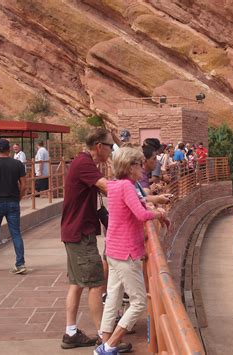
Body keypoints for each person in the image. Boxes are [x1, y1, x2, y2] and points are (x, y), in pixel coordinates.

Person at [95, 147, 167, 355]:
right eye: (138, 164)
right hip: (126, 252)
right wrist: (159, 213)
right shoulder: (127, 186)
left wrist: (155, 210)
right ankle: (109, 346)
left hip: (114, 250)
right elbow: (141, 214)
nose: (142, 169)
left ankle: (105, 341)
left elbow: (139, 204)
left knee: (113, 298)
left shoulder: (114, 185)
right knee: (138, 302)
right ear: (131, 167)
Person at [60, 128, 113, 349]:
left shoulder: (84, 162)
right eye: (110, 146)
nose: (111, 150)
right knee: (96, 282)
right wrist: (139, 196)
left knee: (76, 283)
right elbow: (107, 187)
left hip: (74, 231)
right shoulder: (84, 163)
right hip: (81, 233)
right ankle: (104, 337)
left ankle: (71, 333)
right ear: (99, 146)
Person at [0, 139, 27, 274]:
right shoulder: (17, 164)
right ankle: (20, 264)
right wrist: (17, 198)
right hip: (13, 202)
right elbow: (24, 186)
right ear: (9, 149)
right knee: (16, 233)